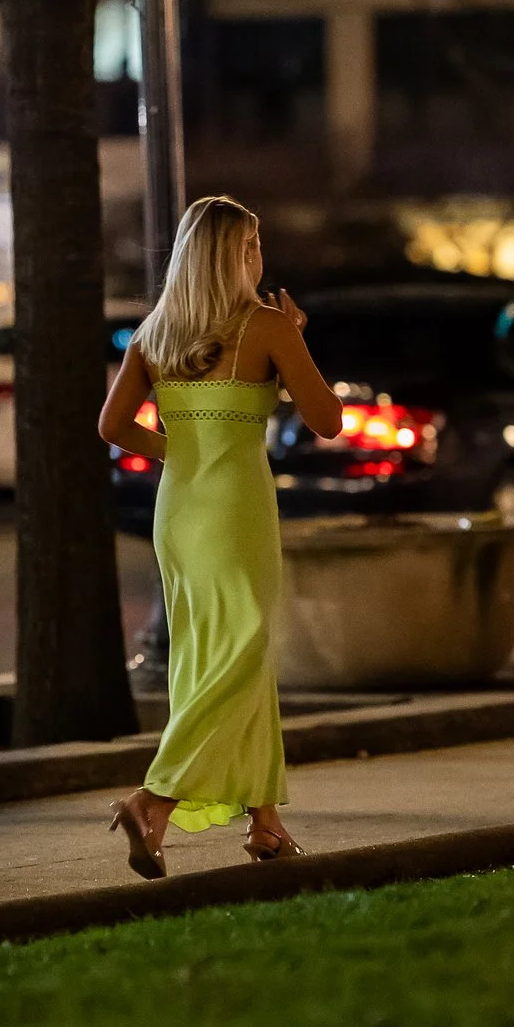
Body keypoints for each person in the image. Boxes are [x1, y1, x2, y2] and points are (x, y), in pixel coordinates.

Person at [99, 197, 341, 873]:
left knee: (222, 654)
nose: (260, 256)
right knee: (238, 652)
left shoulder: (156, 330)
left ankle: (266, 823)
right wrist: (296, 337)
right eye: (253, 244)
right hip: (236, 510)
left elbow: (111, 427)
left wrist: (177, 446)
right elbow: (328, 419)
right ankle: (154, 798)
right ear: (237, 256)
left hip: (179, 511)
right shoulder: (267, 325)